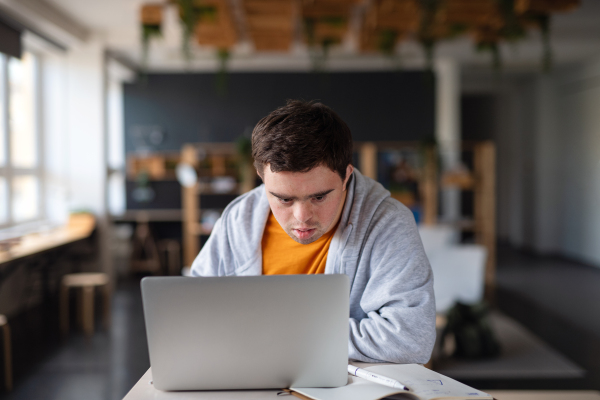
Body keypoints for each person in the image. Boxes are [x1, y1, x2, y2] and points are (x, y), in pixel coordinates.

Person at [191, 100, 436, 364]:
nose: (302, 217)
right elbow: (194, 313)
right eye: (283, 199)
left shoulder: (388, 223)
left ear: (346, 176)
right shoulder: (238, 219)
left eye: (319, 197)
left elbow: (411, 340)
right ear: (262, 178)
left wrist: (277, 333)